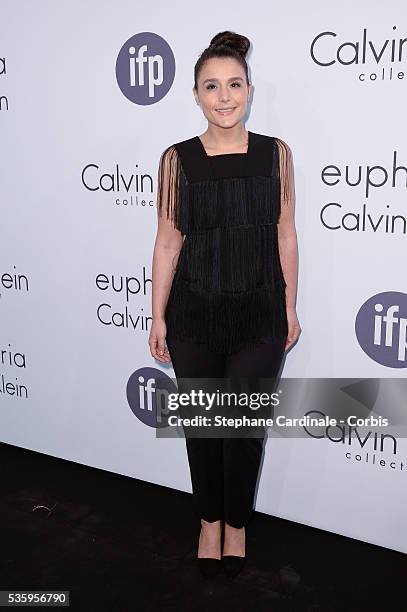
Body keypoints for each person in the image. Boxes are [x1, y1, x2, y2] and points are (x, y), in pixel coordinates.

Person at [149, 30, 301, 579]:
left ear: (250, 89)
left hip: (260, 312)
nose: (225, 96)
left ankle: (236, 523)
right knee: (203, 428)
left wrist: (289, 308)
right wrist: (158, 314)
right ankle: (208, 519)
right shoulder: (177, 160)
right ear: (195, 95)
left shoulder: (275, 155)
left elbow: (286, 235)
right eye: (211, 86)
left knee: (243, 428)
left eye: (234, 84)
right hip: (193, 316)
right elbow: (168, 242)